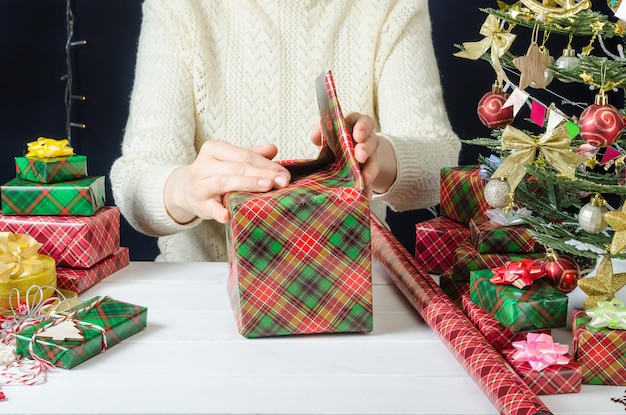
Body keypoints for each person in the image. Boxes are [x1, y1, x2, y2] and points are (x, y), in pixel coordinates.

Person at [110, 0, 461, 262]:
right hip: (203, 298)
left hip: (348, 293)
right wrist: (187, 188)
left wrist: (380, 158)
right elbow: (135, 181)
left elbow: (441, 163)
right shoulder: (178, 7)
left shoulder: (389, 6)